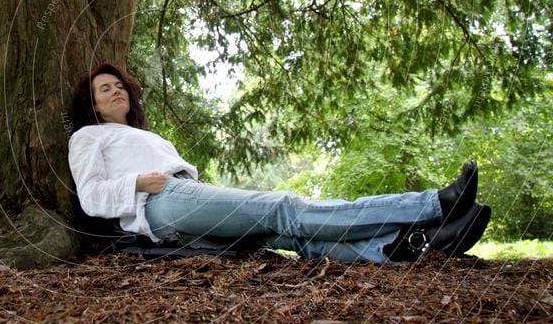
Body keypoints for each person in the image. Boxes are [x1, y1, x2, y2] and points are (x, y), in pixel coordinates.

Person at [67, 63, 491, 263]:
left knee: (285, 233)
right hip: (159, 205)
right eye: (105, 89)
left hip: (181, 200)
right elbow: (90, 196)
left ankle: (407, 248)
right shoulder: (87, 137)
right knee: (284, 207)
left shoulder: (146, 135)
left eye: (119, 85)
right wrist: (140, 182)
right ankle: (435, 204)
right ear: (93, 104)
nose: (116, 91)